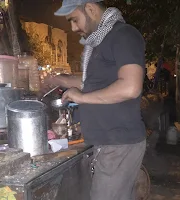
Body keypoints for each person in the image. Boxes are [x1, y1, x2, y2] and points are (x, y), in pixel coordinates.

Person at [47, 1, 146, 199]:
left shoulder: (123, 35)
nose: (73, 28)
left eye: (75, 20)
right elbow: (93, 83)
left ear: (90, 9)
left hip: (118, 144)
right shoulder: (99, 42)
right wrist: (60, 80)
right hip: (105, 143)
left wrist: (81, 98)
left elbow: (130, 87)